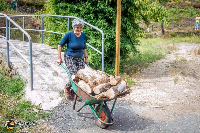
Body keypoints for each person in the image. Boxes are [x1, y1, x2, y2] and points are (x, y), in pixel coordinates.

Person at [57, 18, 89, 100]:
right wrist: (59, 58)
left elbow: (84, 47)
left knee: (81, 76)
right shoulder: (69, 35)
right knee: (74, 75)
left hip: (80, 58)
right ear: (73, 27)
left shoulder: (84, 35)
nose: (79, 29)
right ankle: (67, 88)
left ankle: (74, 92)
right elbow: (60, 45)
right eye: (77, 27)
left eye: (80, 27)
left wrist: (86, 58)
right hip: (69, 57)